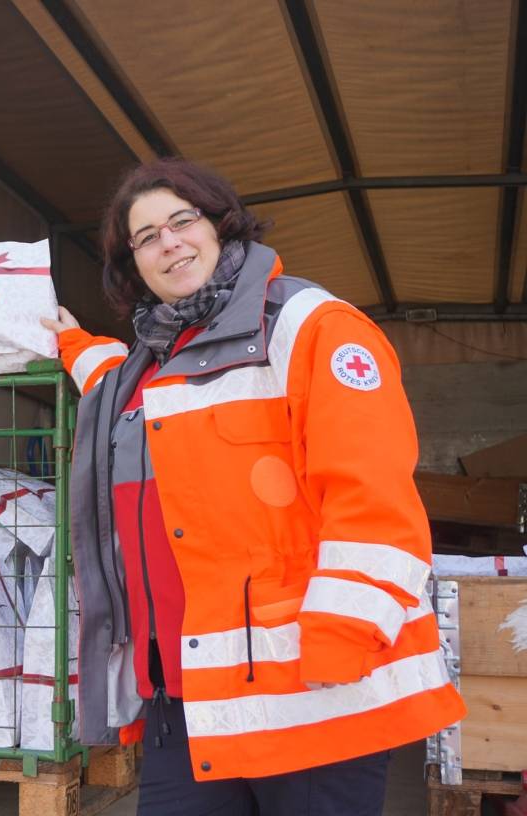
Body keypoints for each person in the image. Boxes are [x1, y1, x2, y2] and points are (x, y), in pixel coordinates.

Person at [41, 158, 465, 815]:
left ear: (222, 225)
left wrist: (339, 643)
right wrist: (70, 341)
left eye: (182, 221)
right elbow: (117, 392)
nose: (168, 242)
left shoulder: (310, 328)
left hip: (312, 691)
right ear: (133, 262)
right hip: (184, 695)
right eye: (146, 236)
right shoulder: (145, 365)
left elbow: (372, 500)